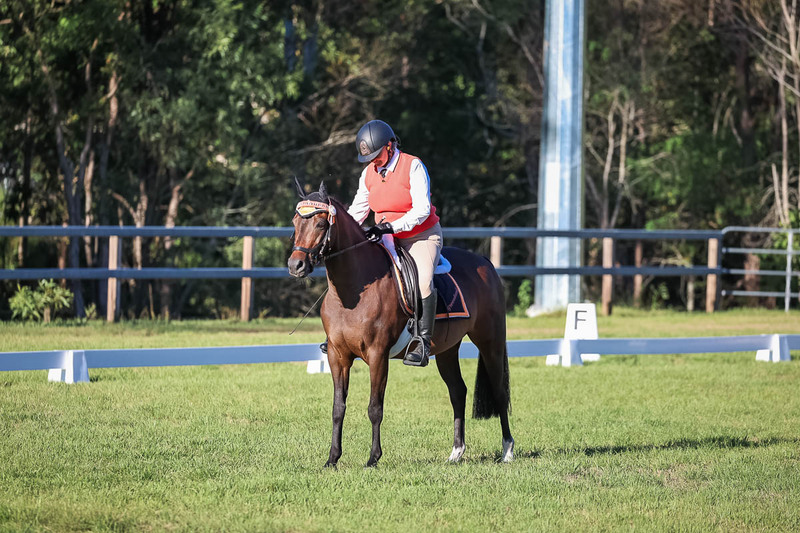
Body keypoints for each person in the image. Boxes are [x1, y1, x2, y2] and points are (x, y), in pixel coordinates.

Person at [321, 119, 442, 366]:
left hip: (420, 236)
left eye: (376, 156)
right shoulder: (369, 173)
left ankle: (422, 340)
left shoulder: (413, 166)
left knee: (423, 281)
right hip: (384, 235)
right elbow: (359, 209)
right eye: (369, 159)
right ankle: (340, 333)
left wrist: (389, 226)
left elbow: (421, 209)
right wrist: (341, 227)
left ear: (390, 145)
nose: (373, 162)